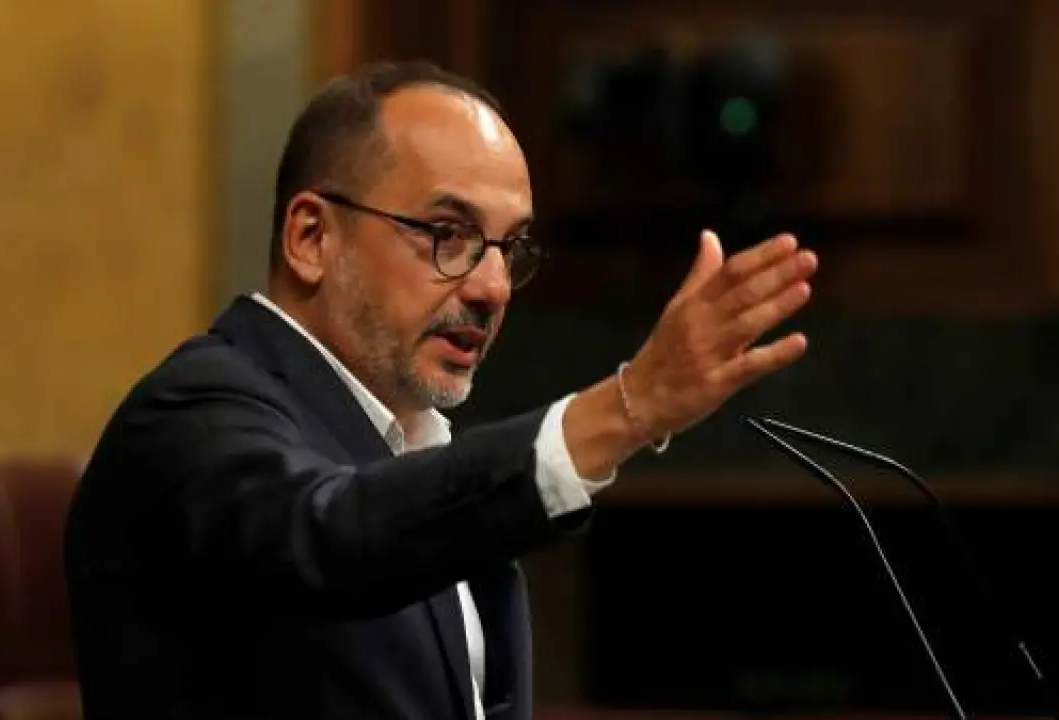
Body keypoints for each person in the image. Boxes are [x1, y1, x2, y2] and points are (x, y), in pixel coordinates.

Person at [63, 59, 817, 720]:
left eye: (509, 247)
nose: (493, 287)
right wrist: (627, 407)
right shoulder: (191, 413)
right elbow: (328, 535)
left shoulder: (413, 450)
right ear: (311, 238)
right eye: (447, 234)